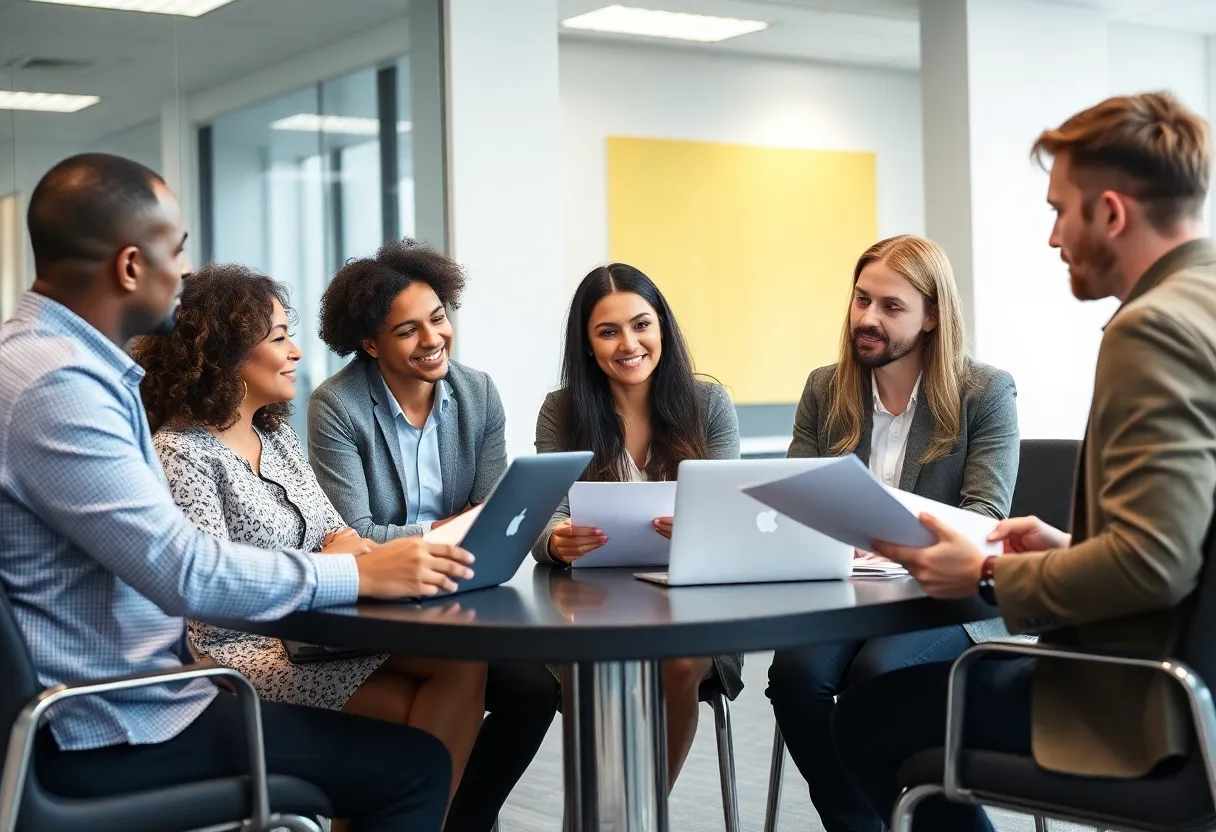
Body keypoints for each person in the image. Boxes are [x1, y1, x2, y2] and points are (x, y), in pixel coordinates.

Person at [0, 153, 473, 831]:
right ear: (132, 266)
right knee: (413, 768)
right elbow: (183, 570)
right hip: (111, 724)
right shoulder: (59, 385)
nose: (184, 273)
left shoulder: (49, 362)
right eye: (178, 251)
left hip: (131, 700)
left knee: (419, 735)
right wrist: (355, 572)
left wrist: (356, 563)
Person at [832, 92, 1216, 832]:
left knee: (869, 720)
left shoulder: (1153, 329)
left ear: (1110, 212)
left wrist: (987, 574)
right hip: (1198, 682)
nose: (1051, 237)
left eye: (1059, 210)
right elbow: (1188, 544)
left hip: (1145, 704)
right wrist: (1073, 552)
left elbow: (1153, 566)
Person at [129, 264, 487, 821]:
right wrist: (334, 559)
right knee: (407, 715)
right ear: (223, 356)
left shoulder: (275, 434)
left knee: (465, 664)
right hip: (242, 651)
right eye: (278, 339)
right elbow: (210, 598)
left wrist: (351, 554)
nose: (296, 352)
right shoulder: (183, 453)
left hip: (317, 633)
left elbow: (338, 531)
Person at [766, 234, 1020, 832]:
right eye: (861, 300)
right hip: (849, 594)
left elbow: (983, 514)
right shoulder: (825, 389)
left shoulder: (984, 392)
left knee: (878, 679)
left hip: (948, 600)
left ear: (933, 317)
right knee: (795, 680)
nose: (867, 319)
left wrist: (882, 534)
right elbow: (796, 495)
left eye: (891, 306)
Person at [309, 240, 559, 832]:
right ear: (370, 344)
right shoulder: (336, 406)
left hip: (463, 596)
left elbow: (499, 512)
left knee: (532, 691)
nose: (432, 340)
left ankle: (460, 820)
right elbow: (355, 532)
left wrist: (467, 524)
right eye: (407, 331)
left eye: (439, 319)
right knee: (461, 677)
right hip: (379, 606)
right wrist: (451, 526)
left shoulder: (478, 394)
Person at [531, 262, 743, 789]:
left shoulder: (709, 404)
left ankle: (640, 814)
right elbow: (545, 520)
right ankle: (601, 815)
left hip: (694, 600)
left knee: (678, 663)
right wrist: (557, 542)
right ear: (587, 345)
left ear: (663, 329)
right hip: (593, 603)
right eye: (608, 331)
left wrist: (703, 527)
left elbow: (730, 518)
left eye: (641, 324)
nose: (629, 343)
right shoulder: (561, 411)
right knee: (588, 669)